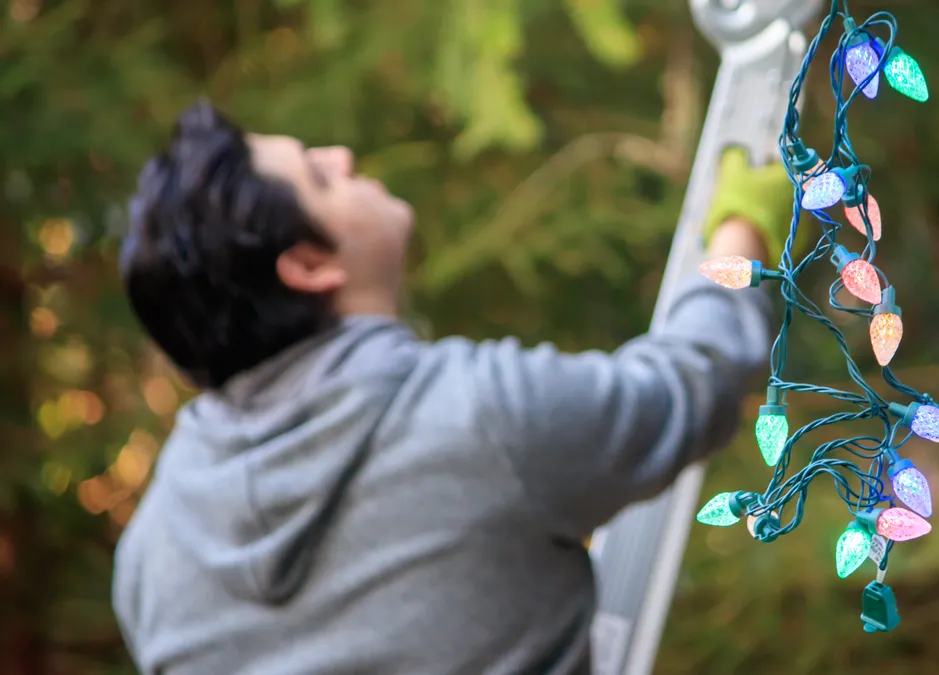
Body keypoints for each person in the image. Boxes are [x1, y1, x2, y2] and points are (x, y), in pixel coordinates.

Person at [112, 100, 796, 675]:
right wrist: (741, 225)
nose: (344, 156)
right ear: (309, 264)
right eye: (320, 174)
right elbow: (693, 379)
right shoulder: (477, 416)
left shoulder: (150, 556)